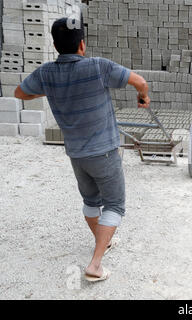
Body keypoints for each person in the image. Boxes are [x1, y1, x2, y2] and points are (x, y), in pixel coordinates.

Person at [14, 16, 150, 282]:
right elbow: (140, 82)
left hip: (76, 154)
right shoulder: (98, 67)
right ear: (82, 45)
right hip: (105, 153)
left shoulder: (46, 73)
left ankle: (103, 241)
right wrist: (142, 97)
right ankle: (96, 264)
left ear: (55, 46)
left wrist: (52, 91)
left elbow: (20, 93)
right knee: (114, 205)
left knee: (91, 201)